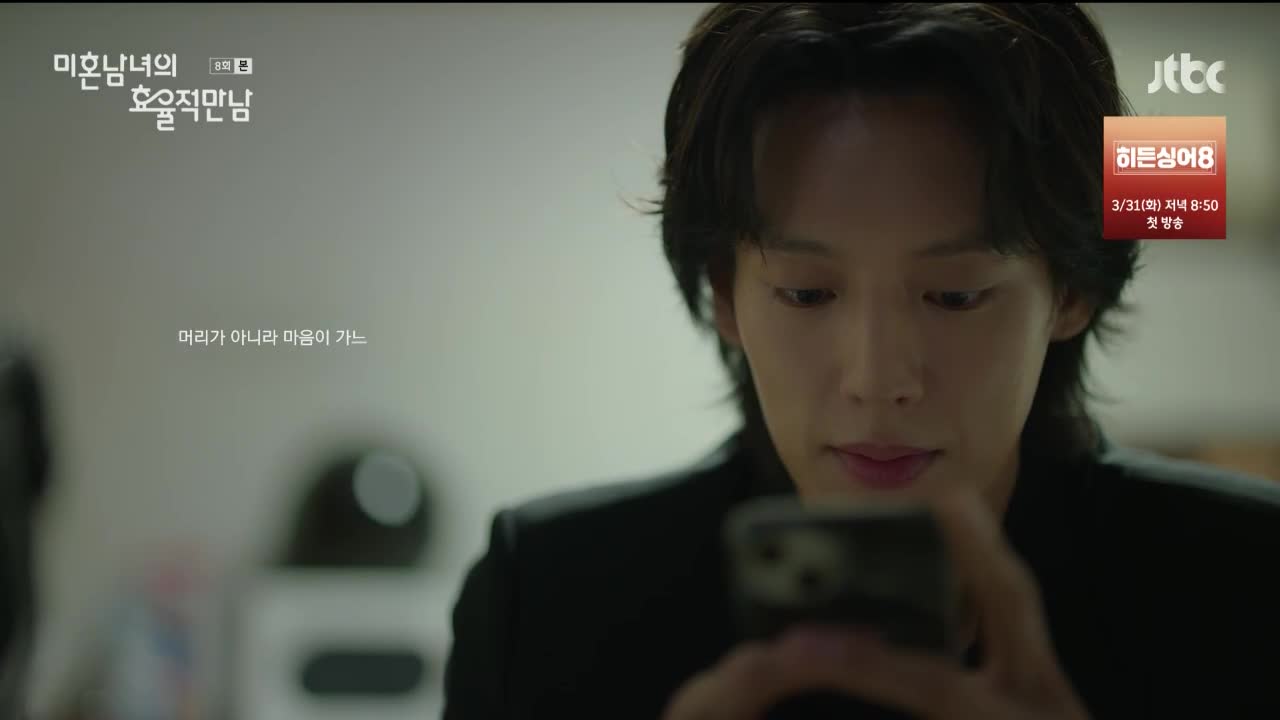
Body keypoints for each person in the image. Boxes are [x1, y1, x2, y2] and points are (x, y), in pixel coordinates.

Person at [442, 4, 1280, 719]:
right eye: (807, 293)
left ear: (1072, 290)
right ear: (725, 293)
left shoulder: (1245, 582)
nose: (878, 382)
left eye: (954, 296)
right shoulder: (553, 599)